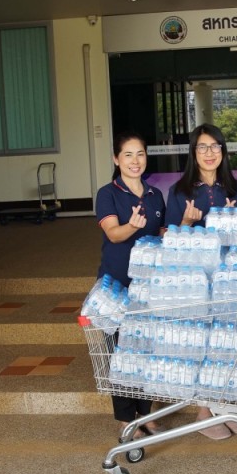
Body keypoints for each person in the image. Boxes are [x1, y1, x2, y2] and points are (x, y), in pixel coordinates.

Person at [166, 123, 237, 440]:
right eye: (202, 147)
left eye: (215, 146)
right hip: (196, 279)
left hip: (228, 277)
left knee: (225, 340)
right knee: (201, 340)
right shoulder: (180, 191)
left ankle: (221, 403)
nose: (209, 153)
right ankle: (202, 411)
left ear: (223, 151)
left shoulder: (233, 189)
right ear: (193, 152)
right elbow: (169, 240)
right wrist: (186, 222)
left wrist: (233, 221)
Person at [95, 131, 167, 439]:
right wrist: (131, 226)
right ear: (116, 159)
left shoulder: (155, 194)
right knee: (120, 353)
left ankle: (144, 413)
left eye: (140, 154)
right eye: (128, 154)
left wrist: (183, 228)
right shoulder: (107, 194)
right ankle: (125, 419)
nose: (135, 161)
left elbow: (161, 233)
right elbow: (113, 234)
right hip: (117, 284)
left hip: (148, 285)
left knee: (146, 348)